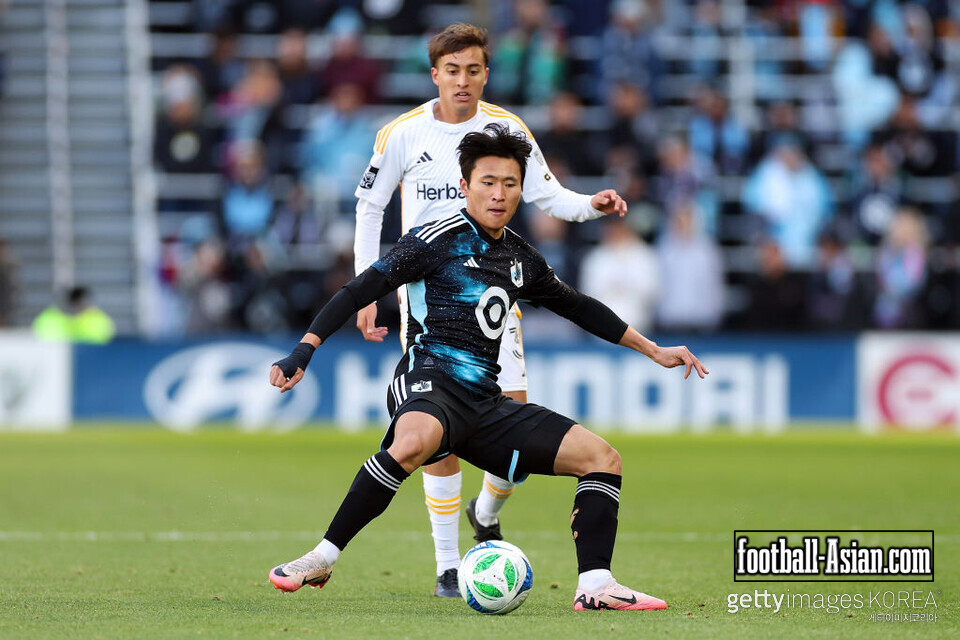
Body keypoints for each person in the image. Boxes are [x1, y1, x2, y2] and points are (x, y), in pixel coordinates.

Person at [266, 124, 708, 611]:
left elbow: (579, 307)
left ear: (521, 190)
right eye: (488, 182)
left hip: (484, 404)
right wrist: (304, 350)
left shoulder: (520, 257)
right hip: (428, 381)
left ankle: (596, 586)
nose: (499, 194)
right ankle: (322, 556)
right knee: (413, 441)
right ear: (465, 186)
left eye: (510, 184)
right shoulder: (432, 240)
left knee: (603, 458)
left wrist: (654, 350)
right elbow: (358, 291)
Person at [351, 23, 629, 598]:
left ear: (485, 74)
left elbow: (549, 194)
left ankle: (486, 510)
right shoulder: (402, 133)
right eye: (452, 71)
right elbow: (370, 208)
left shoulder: (507, 129)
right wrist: (367, 289)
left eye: (473, 70)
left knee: (514, 421)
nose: (463, 81)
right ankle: (448, 564)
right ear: (435, 75)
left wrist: (591, 205)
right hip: (427, 299)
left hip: (495, 294)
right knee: (437, 432)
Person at [32, 286, 115, 344]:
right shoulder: (48, 318)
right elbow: (41, 342)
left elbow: (103, 343)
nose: (75, 307)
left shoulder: (98, 319)